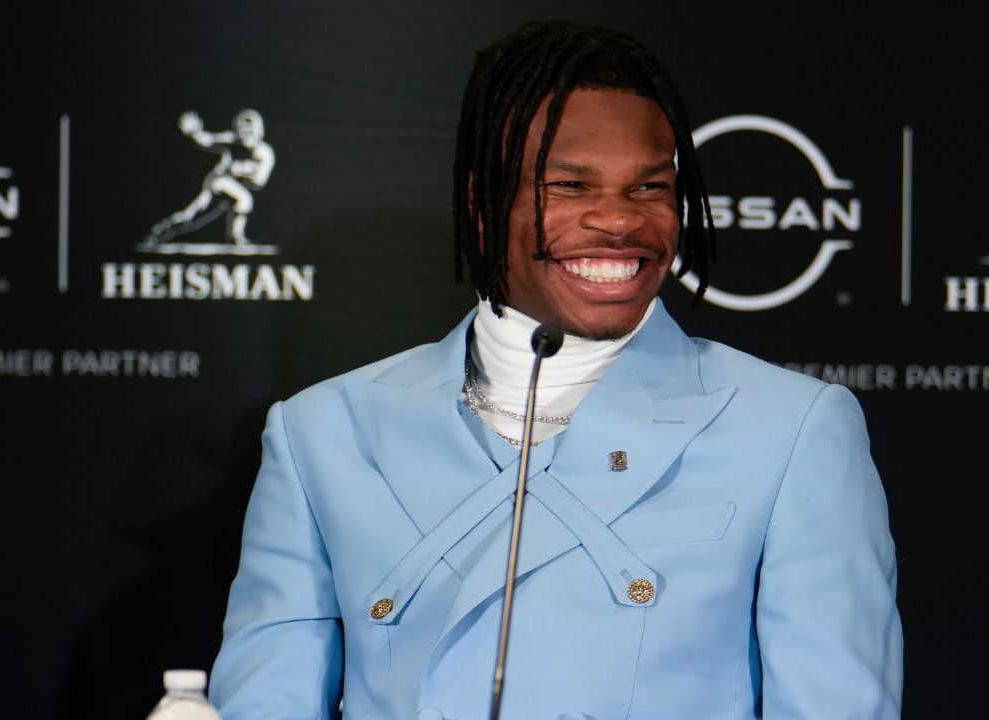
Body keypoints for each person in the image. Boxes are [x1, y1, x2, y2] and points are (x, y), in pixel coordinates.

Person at [211, 19, 901, 720]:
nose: (619, 222)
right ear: (483, 206)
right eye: (570, 185)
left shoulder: (790, 430)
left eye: (650, 188)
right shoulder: (322, 433)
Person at [144, 109, 276, 247]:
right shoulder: (233, 140)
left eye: (250, 129)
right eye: (242, 129)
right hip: (218, 182)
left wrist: (244, 171)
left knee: (194, 218)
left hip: (233, 188)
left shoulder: (265, 153)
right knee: (242, 200)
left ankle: (161, 230)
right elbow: (209, 139)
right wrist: (194, 133)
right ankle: (235, 237)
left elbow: (259, 182)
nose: (245, 133)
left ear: (259, 130)